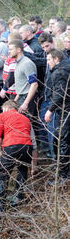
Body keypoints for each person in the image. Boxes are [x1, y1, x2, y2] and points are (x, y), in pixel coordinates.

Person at [0, 100, 33, 211]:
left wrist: (0, 148)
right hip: (27, 147)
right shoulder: (25, 118)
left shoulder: (2, 116)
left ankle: (0, 206)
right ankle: (18, 198)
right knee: (22, 171)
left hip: (11, 146)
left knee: (4, 175)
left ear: (6, 108)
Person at [44, 49, 70, 185]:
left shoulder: (60, 72)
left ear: (56, 59)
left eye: (49, 60)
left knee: (62, 141)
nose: (47, 63)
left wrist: (50, 110)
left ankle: (64, 176)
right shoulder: (66, 66)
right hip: (65, 110)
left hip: (66, 111)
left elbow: (59, 93)